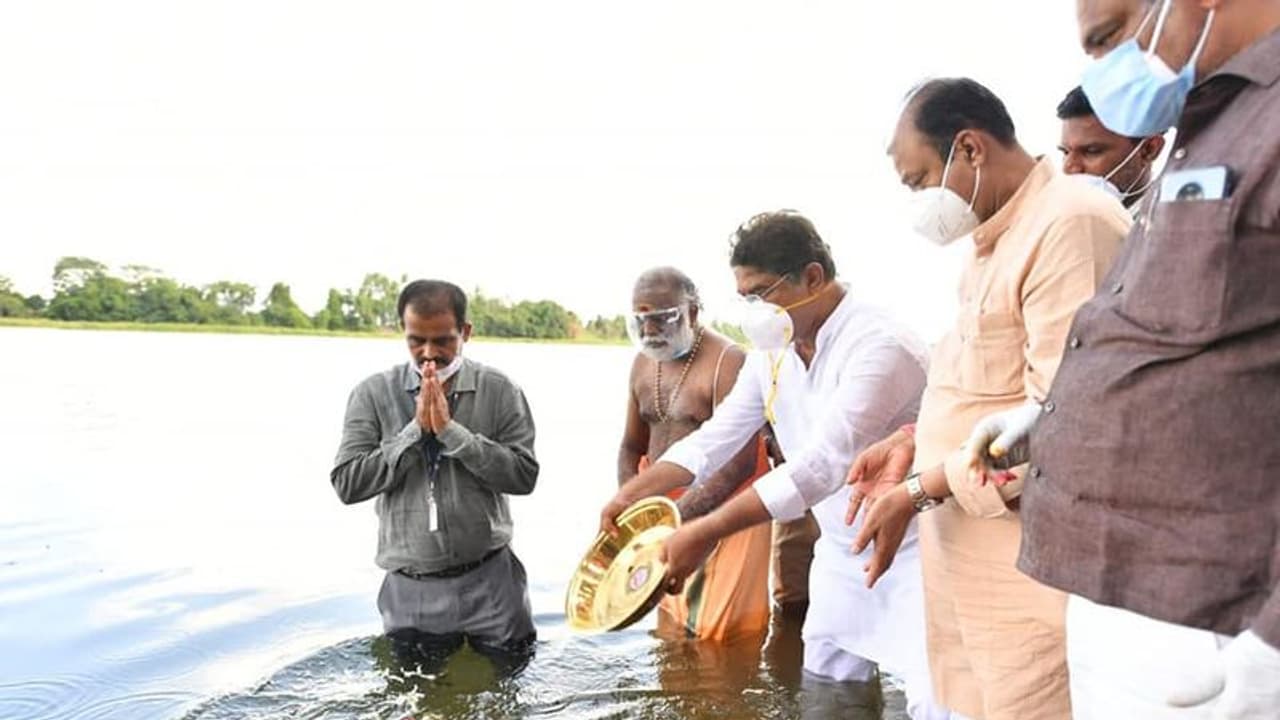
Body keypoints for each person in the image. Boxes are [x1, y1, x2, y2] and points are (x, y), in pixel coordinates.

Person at [966, 1, 1280, 718]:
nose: (1105, 71)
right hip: (1128, 606)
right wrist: (1051, 419)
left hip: (1221, 626)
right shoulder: (1211, 128)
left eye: (1109, 39)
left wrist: (1275, 644)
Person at [847, 77, 1129, 720]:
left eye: (919, 180)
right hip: (966, 576)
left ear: (969, 149)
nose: (919, 201)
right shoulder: (992, 240)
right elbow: (979, 386)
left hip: (1029, 586)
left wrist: (919, 490)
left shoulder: (1069, 224)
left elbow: (1062, 427)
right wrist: (909, 445)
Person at [601, 211, 950, 720]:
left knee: (936, 699)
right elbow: (714, 440)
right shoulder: (773, 352)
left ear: (812, 277)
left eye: (763, 292)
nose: (753, 310)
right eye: (744, 297)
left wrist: (703, 530)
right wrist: (632, 494)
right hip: (839, 551)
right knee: (828, 694)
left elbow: (819, 467)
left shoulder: (879, 344)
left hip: (920, 554)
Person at [331, 279, 539, 662]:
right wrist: (414, 432)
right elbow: (347, 484)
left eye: (443, 340)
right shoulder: (372, 393)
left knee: (508, 692)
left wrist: (452, 434)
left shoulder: (501, 389)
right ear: (403, 333)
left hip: (492, 581)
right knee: (412, 702)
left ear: (466, 333)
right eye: (416, 341)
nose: (429, 355)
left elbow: (524, 476)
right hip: (411, 589)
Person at [617, 266, 772, 642]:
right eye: (642, 320)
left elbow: (739, 464)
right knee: (671, 629)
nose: (650, 331)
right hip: (663, 514)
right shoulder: (642, 362)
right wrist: (633, 509)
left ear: (693, 312)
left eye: (661, 319)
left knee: (723, 641)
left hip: (728, 512)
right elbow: (630, 446)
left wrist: (676, 519)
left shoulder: (728, 361)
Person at [1057, 85, 1166, 209]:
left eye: (1091, 151)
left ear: (1149, 150)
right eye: (1065, 152)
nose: (1070, 168)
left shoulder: (1178, 221)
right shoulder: (1058, 218)